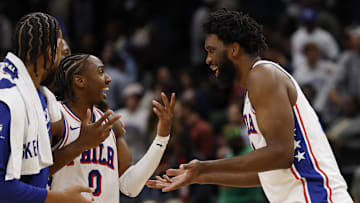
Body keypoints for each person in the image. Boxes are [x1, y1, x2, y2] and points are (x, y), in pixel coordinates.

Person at [147, 9, 353, 203]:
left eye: (211, 50)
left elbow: (281, 154)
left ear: (234, 49)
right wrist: (201, 176)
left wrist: (205, 166)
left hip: (315, 196)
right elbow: (267, 172)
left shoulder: (263, 75)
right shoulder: (253, 91)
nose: (208, 59)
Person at [0, 12, 101, 203]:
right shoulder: (8, 98)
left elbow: (32, 171)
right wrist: (59, 198)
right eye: (62, 53)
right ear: (49, 53)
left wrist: (82, 144)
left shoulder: (37, 96)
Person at [49, 54, 175, 203]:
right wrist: (81, 144)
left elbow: (130, 187)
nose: (108, 79)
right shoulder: (56, 117)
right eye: (101, 72)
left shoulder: (111, 123)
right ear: (80, 80)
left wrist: (162, 137)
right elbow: (33, 173)